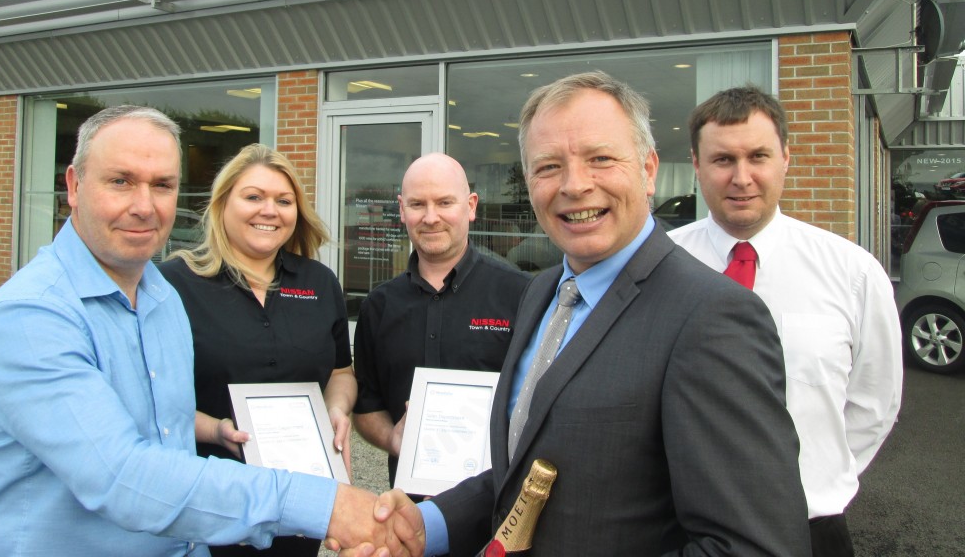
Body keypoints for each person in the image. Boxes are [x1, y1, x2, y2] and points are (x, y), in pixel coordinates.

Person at [352, 71, 811, 557]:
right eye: (548, 167)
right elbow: (529, 468)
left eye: (601, 159)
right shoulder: (543, 292)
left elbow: (754, 546)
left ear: (649, 169)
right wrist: (429, 524)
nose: (574, 185)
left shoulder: (714, 318)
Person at [0, 105, 401, 557]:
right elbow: (120, 477)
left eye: (163, 185)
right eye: (121, 181)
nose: (144, 205)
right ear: (73, 186)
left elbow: (169, 435)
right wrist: (325, 505)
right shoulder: (31, 316)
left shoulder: (159, 298)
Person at [669, 86, 903, 557]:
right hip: (678, 524)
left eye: (758, 156)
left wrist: (811, 478)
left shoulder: (853, 274)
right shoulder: (659, 264)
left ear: (785, 159)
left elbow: (874, 404)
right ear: (696, 165)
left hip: (809, 527)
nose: (742, 177)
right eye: (722, 160)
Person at [160, 143, 356, 557]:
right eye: (253, 197)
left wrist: (336, 410)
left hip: (302, 493)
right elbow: (149, 397)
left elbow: (341, 372)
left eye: (284, 201)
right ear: (223, 203)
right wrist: (214, 429)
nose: (270, 210)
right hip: (211, 496)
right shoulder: (174, 284)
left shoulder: (320, 282)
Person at [352, 153, 529, 486]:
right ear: (402, 210)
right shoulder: (378, 307)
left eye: (445, 202)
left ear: (471, 206)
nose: (430, 217)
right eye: (418, 204)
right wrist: (392, 439)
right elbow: (366, 405)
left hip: (495, 504)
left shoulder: (519, 295)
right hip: (410, 507)